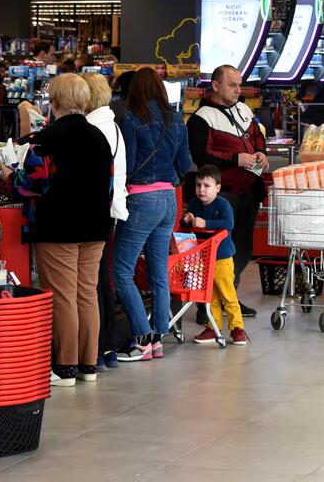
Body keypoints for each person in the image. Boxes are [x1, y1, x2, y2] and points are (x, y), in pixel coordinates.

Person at [2, 73, 113, 386]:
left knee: (62, 296)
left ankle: (64, 366)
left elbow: (31, 185)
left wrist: (10, 174)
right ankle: (88, 364)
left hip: (58, 226)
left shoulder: (47, 138)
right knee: (86, 294)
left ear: (54, 103)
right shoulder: (99, 138)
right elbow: (108, 187)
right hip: (95, 226)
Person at [113, 68, 193, 362]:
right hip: (168, 198)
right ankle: (159, 336)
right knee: (159, 270)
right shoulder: (176, 120)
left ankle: (142, 338)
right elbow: (185, 163)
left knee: (122, 271)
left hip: (141, 198)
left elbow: (129, 164)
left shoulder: (131, 120)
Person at [187, 65, 267, 319]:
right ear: (216, 85)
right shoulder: (201, 118)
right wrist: (236, 159)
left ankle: (229, 296)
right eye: (232, 85)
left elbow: (257, 136)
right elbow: (201, 156)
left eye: (239, 85)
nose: (238, 90)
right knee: (216, 251)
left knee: (240, 249)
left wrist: (260, 153)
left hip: (249, 190)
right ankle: (207, 306)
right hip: (222, 195)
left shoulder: (244, 109)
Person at [82, 73, 128, 371]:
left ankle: (96, 351)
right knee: (102, 283)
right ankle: (107, 349)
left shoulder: (91, 128)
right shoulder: (112, 125)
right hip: (112, 210)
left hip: (94, 211)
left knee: (91, 286)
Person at [184, 165, 248, 346]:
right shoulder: (194, 204)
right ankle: (213, 327)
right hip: (203, 256)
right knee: (209, 295)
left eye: (207, 185)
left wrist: (206, 223)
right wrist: (187, 219)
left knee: (227, 293)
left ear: (217, 188)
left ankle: (237, 328)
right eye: (198, 185)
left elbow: (229, 223)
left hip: (222, 256)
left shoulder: (222, 204)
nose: (201, 190)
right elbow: (187, 223)